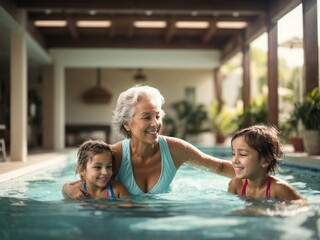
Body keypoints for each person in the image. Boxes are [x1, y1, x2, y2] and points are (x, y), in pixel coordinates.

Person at [63, 85, 235, 198]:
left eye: (157, 116)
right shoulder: (113, 156)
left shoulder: (175, 149)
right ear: (127, 124)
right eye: (146, 117)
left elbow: (218, 166)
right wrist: (67, 190)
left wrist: (257, 173)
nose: (155, 123)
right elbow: (82, 183)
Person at [228, 125, 306, 204]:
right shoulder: (236, 184)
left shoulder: (279, 188)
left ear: (265, 161)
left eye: (242, 154)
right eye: (233, 154)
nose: (235, 160)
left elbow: (303, 205)